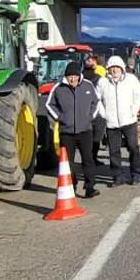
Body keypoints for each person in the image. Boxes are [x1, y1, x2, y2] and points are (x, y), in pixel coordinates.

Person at [45, 62, 101, 198]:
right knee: (68, 162)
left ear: (79, 75)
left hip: (85, 130)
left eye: (75, 76)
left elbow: (96, 102)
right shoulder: (58, 88)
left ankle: (90, 187)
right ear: (66, 76)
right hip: (66, 132)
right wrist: (60, 117)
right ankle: (71, 186)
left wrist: (90, 117)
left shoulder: (87, 85)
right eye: (70, 76)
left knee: (88, 159)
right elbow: (49, 104)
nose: (72, 79)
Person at [96, 56, 140, 186]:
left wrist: (134, 111)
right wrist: (104, 114)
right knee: (114, 150)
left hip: (129, 120)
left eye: (117, 67)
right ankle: (118, 175)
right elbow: (97, 100)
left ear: (122, 68)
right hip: (111, 123)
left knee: (133, 147)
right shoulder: (103, 82)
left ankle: (136, 173)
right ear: (108, 69)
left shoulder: (131, 80)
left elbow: (138, 95)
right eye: (112, 68)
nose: (115, 70)